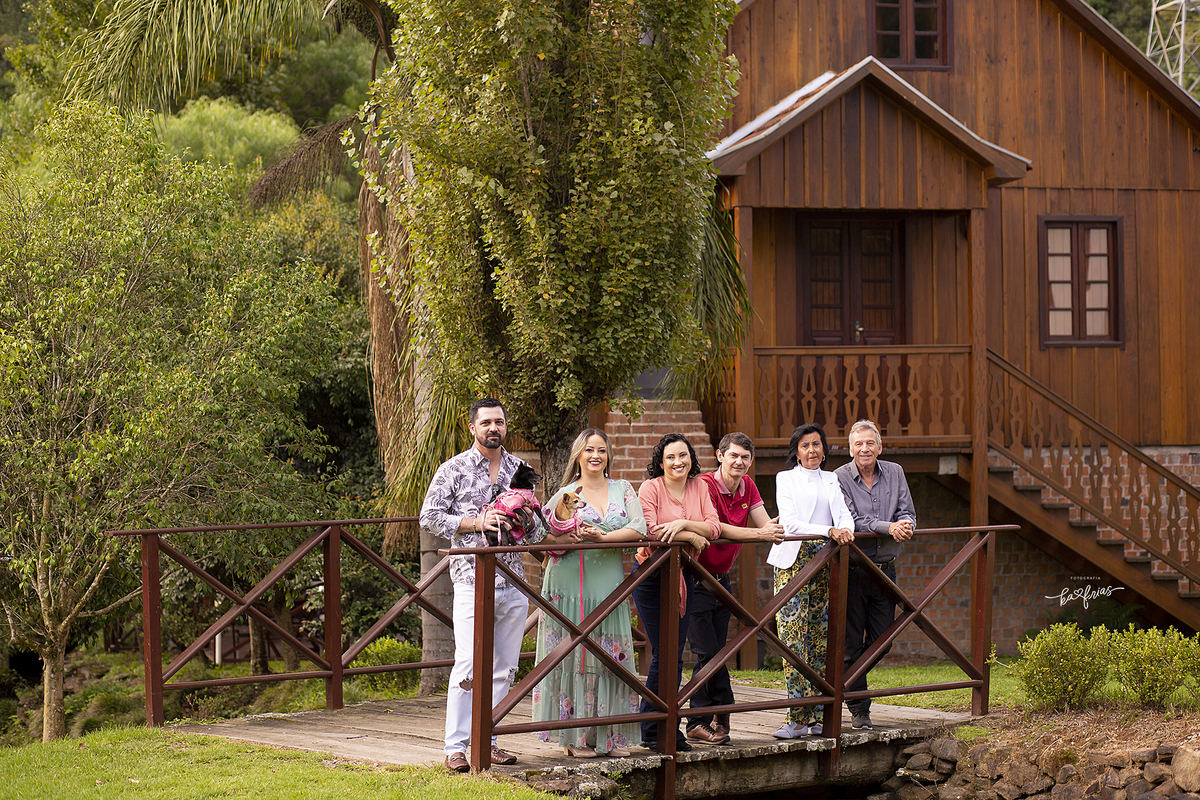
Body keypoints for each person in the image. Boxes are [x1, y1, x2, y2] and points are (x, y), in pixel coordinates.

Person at [419, 398, 538, 773]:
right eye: (486, 422)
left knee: (504, 668)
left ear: (506, 426)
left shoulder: (521, 469)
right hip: (471, 579)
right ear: (472, 428)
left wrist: (527, 518)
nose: (493, 428)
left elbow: (538, 531)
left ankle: (489, 739)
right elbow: (429, 516)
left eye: (499, 422)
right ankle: (455, 747)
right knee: (469, 664)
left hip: (513, 580)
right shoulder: (453, 469)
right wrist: (475, 522)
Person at [532, 429, 645, 758]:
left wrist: (603, 539)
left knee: (609, 655)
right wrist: (564, 541)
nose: (595, 456)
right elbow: (539, 534)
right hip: (568, 583)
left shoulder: (623, 488)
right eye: (589, 450)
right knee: (573, 655)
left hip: (608, 582)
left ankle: (609, 736)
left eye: (601, 450)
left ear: (608, 456)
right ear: (578, 456)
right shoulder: (564, 494)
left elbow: (639, 528)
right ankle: (575, 738)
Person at [685, 432, 785, 745]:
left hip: (722, 579)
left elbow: (764, 524)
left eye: (744, 457)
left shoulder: (748, 486)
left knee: (714, 651)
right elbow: (715, 529)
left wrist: (780, 527)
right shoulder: (704, 485)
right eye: (733, 455)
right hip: (695, 576)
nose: (739, 462)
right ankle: (717, 710)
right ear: (720, 456)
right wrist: (759, 534)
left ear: (750, 461)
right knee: (707, 651)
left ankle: (703, 719)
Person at [766, 422, 854, 739]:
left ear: (824, 449)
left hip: (826, 560)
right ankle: (796, 717)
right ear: (797, 451)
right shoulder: (785, 478)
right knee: (792, 639)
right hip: (794, 561)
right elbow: (790, 523)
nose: (812, 450)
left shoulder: (831, 479)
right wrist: (829, 530)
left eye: (817, 444)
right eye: (805, 445)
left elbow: (843, 515)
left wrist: (845, 530)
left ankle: (816, 715)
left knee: (818, 638)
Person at [633, 433, 720, 752]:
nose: (677, 462)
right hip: (651, 576)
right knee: (665, 653)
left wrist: (683, 525)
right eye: (670, 457)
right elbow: (652, 530)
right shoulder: (650, 488)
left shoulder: (699, 487)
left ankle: (655, 726)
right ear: (660, 462)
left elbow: (714, 527)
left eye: (683, 455)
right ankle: (658, 729)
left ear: (691, 458)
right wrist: (693, 537)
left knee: (675, 654)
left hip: (684, 575)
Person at [834, 420, 916, 730]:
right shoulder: (839, 477)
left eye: (870, 443)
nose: (864, 449)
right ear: (850, 449)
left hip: (885, 570)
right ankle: (859, 708)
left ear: (879, 447)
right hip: (854, 569)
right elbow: (852, 521)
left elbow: (907, 512)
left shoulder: (895, 472)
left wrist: (906, 525)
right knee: (852, 642)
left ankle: (841, 681)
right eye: (858, 444)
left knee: (884, 641)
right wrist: (888, 527)